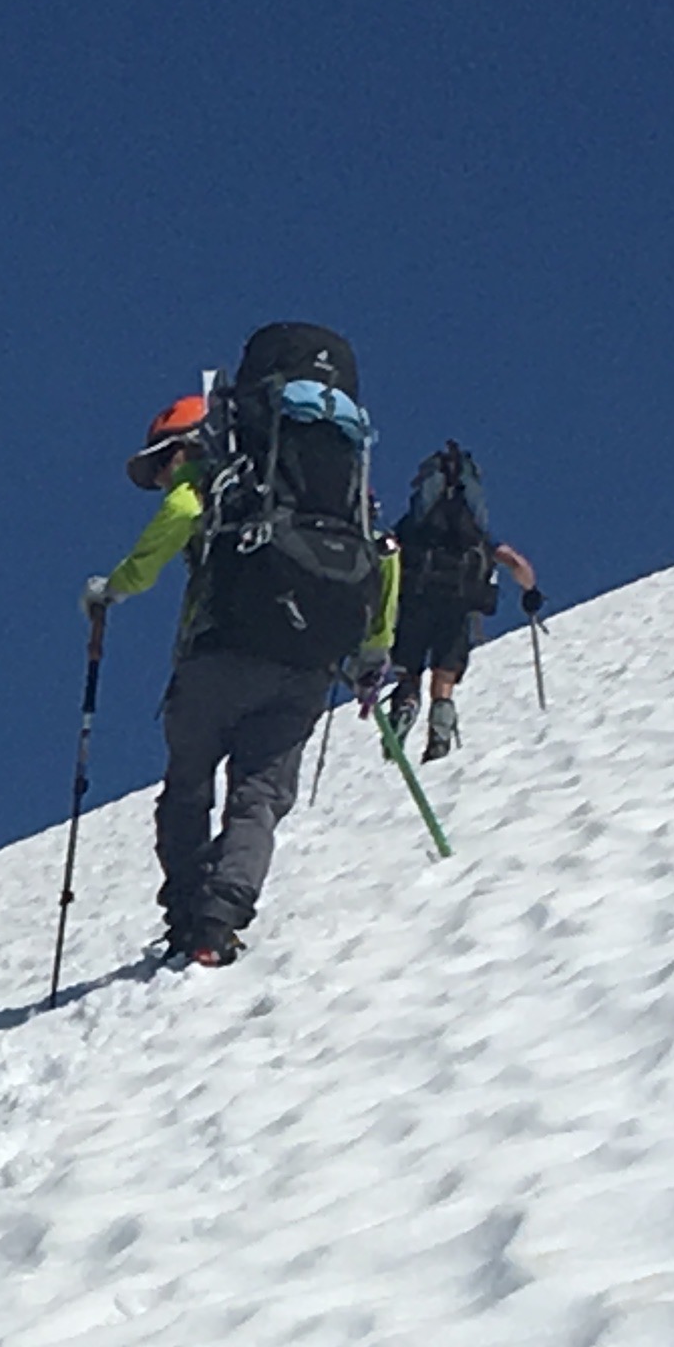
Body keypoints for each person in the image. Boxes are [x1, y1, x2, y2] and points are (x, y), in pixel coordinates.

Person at [83, 324, 397, 965]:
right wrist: (373, 651)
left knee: (188, 787)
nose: (162, 476)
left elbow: (178, 517)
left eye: (162, 461)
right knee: (259, 795)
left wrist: (113, 589)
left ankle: (186, 914)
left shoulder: (213, 477)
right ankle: (219, 922)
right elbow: (385, 557)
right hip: (309, 663)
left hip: (222, 652)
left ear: (184, 445)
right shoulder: (341, 490)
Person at [381, 440, 540, 762]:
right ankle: (439, 733)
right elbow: (515, 561)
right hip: (457, 604)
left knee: (408, 669)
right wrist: (530, 593)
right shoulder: (476, 533)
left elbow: (387, 547)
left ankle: (405, 705)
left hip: (416, 599)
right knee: (445, 673)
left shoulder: (415, 525)